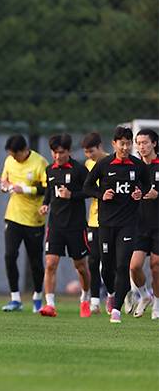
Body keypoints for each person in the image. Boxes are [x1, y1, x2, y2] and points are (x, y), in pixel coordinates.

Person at [83, 125, 150, 324]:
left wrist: (140, 193)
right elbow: (87, 186)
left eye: (129, 144)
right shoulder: (104, 164)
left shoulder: (138, 166)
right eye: (122, 144)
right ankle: (112, 292)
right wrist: (100, 194)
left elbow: (145, 185)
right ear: (114, 144)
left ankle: (116, 310)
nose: (126, 147)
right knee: (107, 266)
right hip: (106, 223)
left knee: (123, 265)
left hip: (128, 224)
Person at [38, 134, 91, 318]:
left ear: (68, 151)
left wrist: (72, 195)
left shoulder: (79, 170)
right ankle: (50, 304)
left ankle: (85, 298)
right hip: (55, 226)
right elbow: (48, 191)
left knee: (81, 267)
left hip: (76, 226)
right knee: (51, 263)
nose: (57, 156)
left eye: (61, 152)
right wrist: (45, 204)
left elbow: (89, 191)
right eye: (54, 152)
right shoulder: (49, 170)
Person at [0, 134, 48, 312]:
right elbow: (5, 180)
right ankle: (15, 298)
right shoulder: (9, 161)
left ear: (24, 151)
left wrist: (25, 189)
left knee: (35, 260)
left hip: (34, 219)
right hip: (13, 216)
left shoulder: (39, 162)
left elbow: (47, 188)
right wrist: (5, 186)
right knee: (10, 255)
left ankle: (37, 297)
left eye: (15, 155)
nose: (12, 158)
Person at [81, 132, 114, 314]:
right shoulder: (88, 165)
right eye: (86, 152)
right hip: (94, 219)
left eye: (91, 151)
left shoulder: (112, 162)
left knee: (110, 262)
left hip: (112, 219)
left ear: (100, 146)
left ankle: (112, 294)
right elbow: (88, 189)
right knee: (93, 260)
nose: (89, 156)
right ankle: (94, 301)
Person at [128, 129, 158, 319]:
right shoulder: (135, 168)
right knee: (134, 266)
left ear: (154, 143)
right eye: (138, 143)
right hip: (139, 225)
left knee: (156, 266)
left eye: (145, 142)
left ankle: (157, 304)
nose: (141, 146)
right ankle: (145, 295)